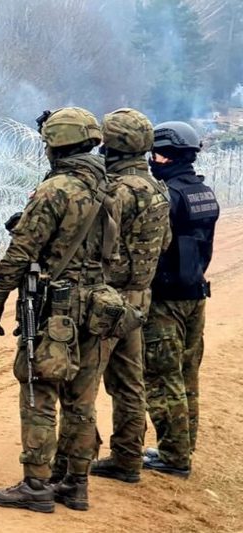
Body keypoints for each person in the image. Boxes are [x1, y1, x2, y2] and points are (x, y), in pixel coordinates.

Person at [0, 107, 117, 512]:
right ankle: (75, 485)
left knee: (39, 390)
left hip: (54, 305)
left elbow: (23, 249)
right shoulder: (108, 187)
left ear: (56, 144)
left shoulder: (56, 189)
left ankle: (36, 485)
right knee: (82, 399)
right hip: (98, 303)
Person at [81, 108, 172, 484]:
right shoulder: (157, 189)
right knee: (130, 384)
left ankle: (78, 459)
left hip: (106, 300)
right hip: (139, 299)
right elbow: (162, 242)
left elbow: (90, 243)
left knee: (82, 384)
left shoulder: (115, 191)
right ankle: (128, 458)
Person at [142, 121, 219, 477]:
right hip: (195, 294)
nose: (151, 160)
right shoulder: (203, 193)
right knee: (188, 375)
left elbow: (151, 247)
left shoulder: (168, 196)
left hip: (167, 298)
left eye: (154, 154)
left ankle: (173, 456)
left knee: (162, 377)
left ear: (165, 155)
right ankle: (182, 448)